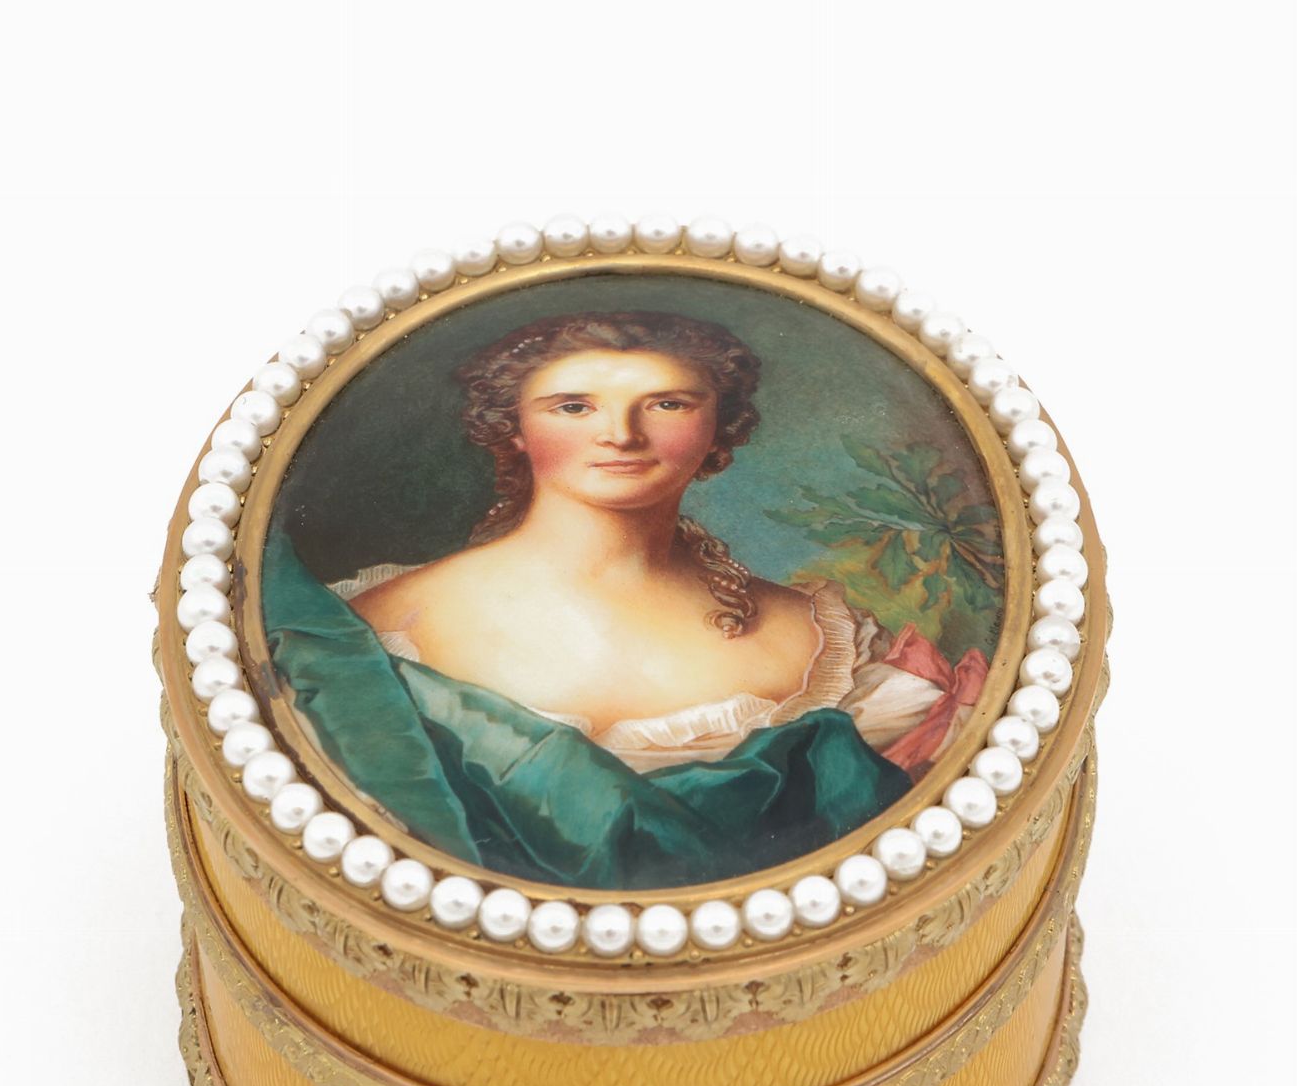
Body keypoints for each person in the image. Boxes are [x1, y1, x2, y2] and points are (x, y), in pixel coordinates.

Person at [260, 310, 980, 892]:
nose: (622, 435)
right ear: (514, 428)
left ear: (718, 428)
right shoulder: (379, 623)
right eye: (573, 407)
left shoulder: (824, 642)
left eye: (667, 403)